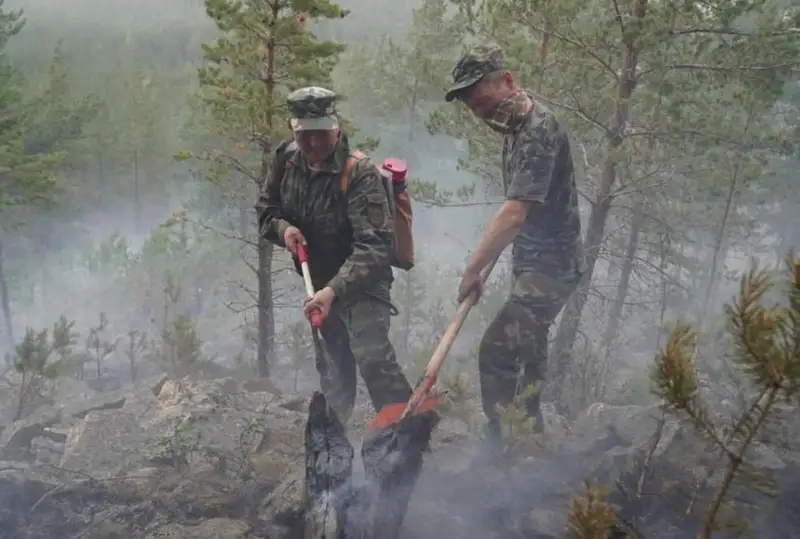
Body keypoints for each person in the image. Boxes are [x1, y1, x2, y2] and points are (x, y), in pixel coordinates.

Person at [444, 44, 586, 446]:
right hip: (532, 261)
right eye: (475, 109)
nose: (483, 114)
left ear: (506, 80)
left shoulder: (539, 130)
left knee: (497, 349)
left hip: (553, 266)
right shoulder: (515, 130)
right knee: (530, 353)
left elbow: (514, 213)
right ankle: (531, 438)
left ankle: (500, 444)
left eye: (484, 101)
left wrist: (473, 269)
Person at [256, 86, 412, 425]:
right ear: (292, 130)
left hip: (363, 283)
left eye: (321, 135)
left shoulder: (359, 174)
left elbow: (374, 248)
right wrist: (283, 230)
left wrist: (332, 291)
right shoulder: (286, 160)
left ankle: (404, 434)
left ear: (336, 128)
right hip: (320, 281)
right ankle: (333, 447)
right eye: (304, 135)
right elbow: (266, 211)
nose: (313, 144)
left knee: (372, 357)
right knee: (333, 367)